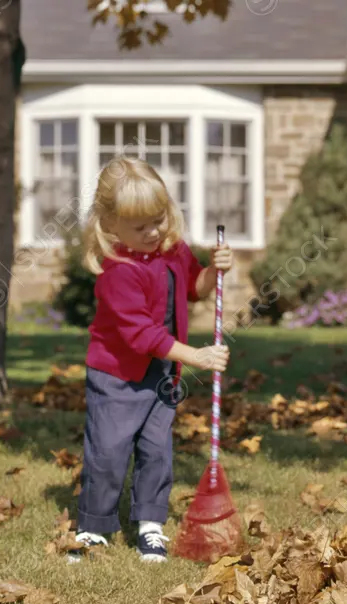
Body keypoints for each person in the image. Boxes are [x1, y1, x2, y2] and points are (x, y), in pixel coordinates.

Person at [70, 156, 232, 563]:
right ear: (109, 225)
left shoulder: (171, 251)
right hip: (117, 377)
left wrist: (213, 270)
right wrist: (195, 355)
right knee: (107, 453)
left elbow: (195, 288)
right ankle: (94, 525)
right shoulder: (118, 271)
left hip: (162, 373)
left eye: (158, 219)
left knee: (156, 450)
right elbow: (140, 334)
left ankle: (149, 523)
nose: (153, 231)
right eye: (139, 226)